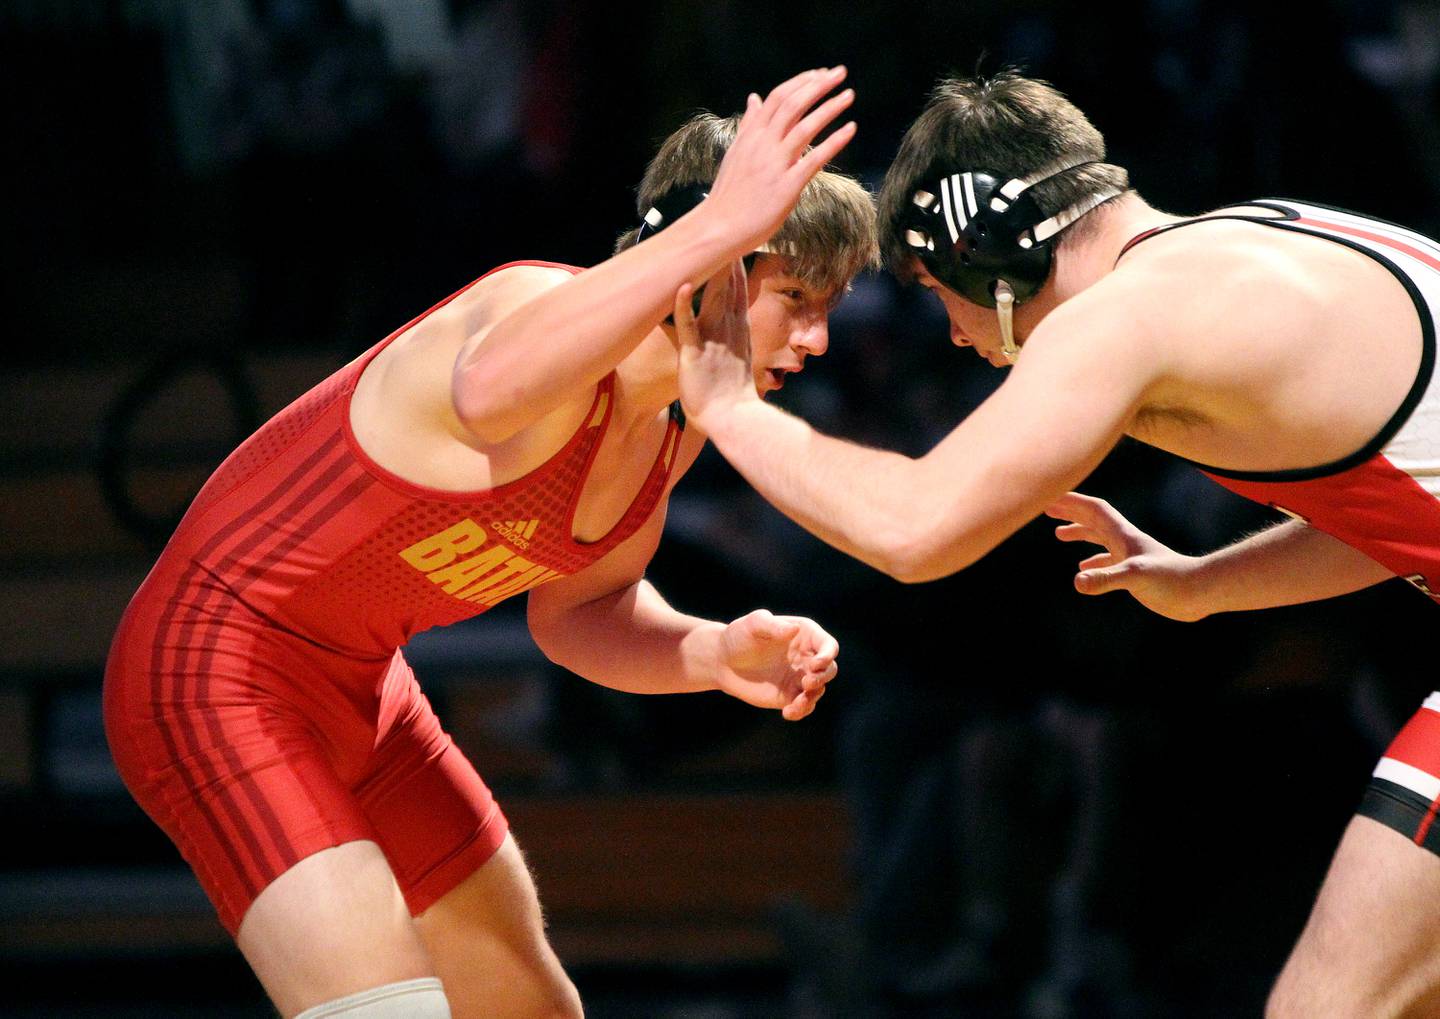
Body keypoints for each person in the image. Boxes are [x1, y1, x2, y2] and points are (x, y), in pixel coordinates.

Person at [104, 66, 876, 1019]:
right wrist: (720, 223)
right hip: (209, 670)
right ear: (705, 261)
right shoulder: (529, 304)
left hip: (362, 692)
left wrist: (714, 652)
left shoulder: (669, 428)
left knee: (535, 1011)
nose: (821, 337)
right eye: (797, 294)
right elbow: (486, 395)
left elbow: (578, 615)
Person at [674, 70, 1440, 1017]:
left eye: (939, 293)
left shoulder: (1124, 317)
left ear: (991, 249)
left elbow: (915, 529)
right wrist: (1205, 584)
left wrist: (730, 410)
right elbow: (1409, 515)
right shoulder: (1261, 236)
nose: (955, 337)